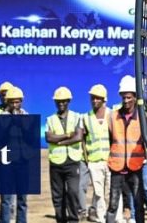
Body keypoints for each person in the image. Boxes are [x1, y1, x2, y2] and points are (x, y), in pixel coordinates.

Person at [107, 76, 145, 223]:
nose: (125, 101)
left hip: (135, 167)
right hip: (116, 167)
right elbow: (110, 139)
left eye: (129, 97)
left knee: (138, 203)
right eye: (123, 97)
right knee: (113, 204)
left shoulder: (141, 117)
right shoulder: (113, 116)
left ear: (135, 97)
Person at [47, 86, 83, 223]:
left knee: (73, 193)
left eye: (64, 101)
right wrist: (68, 135)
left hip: (72, 162)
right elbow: (49, 138)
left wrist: (59, 140)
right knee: (58, 196)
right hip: (56, 163)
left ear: (69, 101)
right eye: (58, 101)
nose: (61, 103)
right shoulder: (50, 119)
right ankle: (60, 220)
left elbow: (78, 137)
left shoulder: (77, 117)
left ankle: (73, 220)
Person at [81, 84, 111, 223]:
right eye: (92, 98)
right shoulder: (86, 117)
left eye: (97, 98)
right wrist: (87, 160)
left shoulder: (111, 115)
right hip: (94, 162)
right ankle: (101, 218)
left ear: (104, 99)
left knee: (110, 191)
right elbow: (82, 139)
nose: (94, 101)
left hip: (110, 161)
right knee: (99, 193)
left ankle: (112, 217)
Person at [0, 87, 28, 223]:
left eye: (17, 102)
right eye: (12, 102)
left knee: (22, 199)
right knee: (6, 199)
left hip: (22, 162)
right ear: (7, 102)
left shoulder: (26, 116)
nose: (15, 105)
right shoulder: (2, 117)